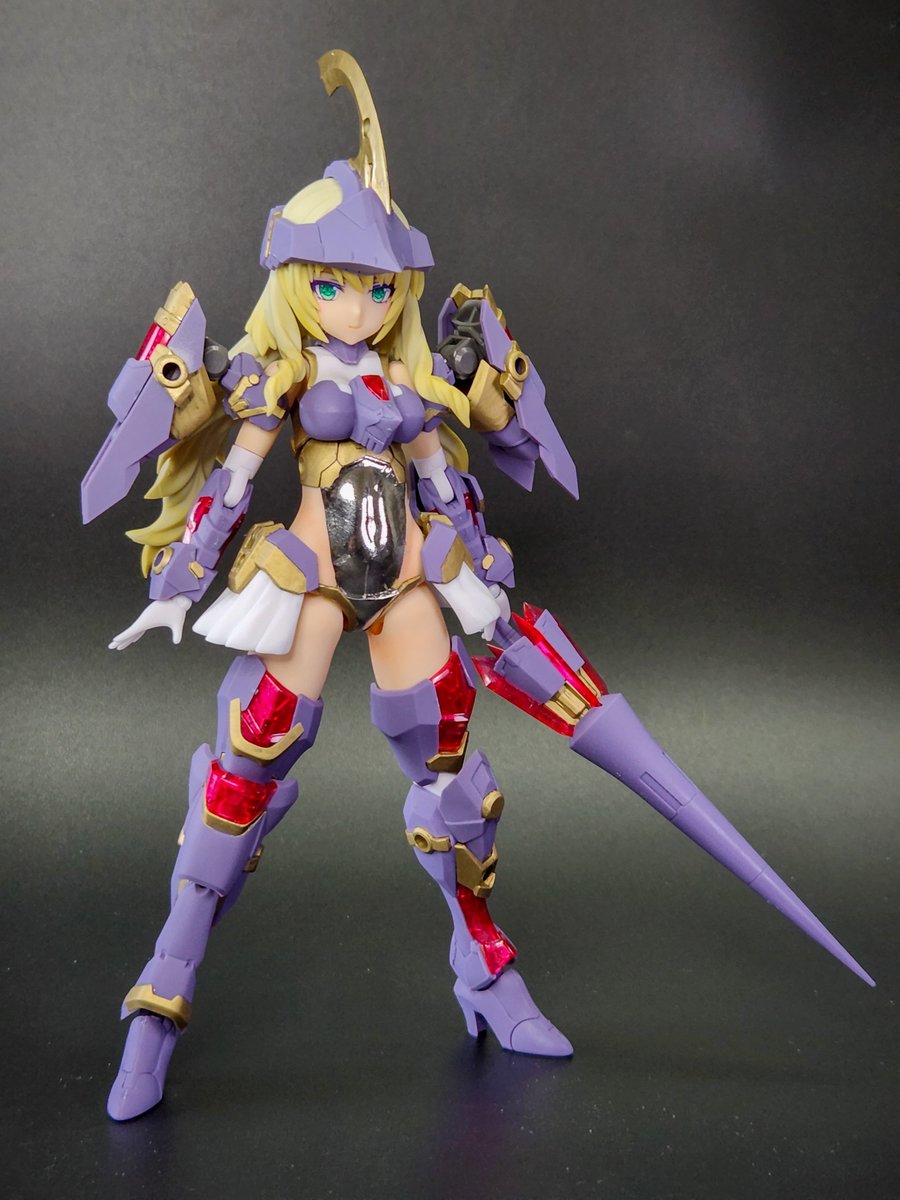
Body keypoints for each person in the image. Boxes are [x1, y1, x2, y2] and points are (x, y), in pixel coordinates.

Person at [82, 50, 872, 1123]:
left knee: (454, 780)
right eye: (331, 284)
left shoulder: (413, 384)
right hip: (311, 572)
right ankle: (163, 990)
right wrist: (184, 571)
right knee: (249, 755)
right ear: (296, 281)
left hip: (409, 568)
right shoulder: (279, 377)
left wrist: (482, 564)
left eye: (375, 287)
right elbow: (229, 478)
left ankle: (486, 970)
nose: (355, 305)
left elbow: (445, 483)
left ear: (398, 289)